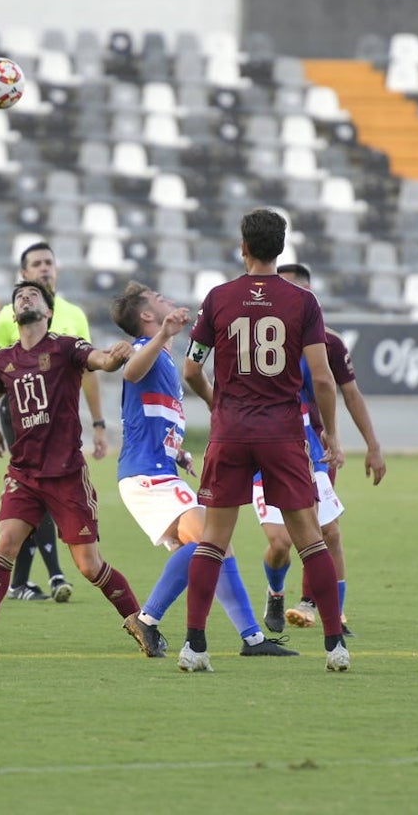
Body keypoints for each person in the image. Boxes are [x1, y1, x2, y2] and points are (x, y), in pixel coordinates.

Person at [0, 281, 160, 656]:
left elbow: (99, 361)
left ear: (48, 311)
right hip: (24, 473)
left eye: (33, 295)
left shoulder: (65, 346)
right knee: (5, 543)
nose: (25, 298)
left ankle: (142, 623)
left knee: (88, 566)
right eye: (19, 296)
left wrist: (115, 354)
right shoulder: (4, 361)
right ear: (13, 312)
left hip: (67, 474)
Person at [179, 207, 350, 673]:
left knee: (213, 541)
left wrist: (219, 404)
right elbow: (324, 379)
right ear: (281, 248)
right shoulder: (303, 303)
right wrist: (331, 434)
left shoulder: (217, 299)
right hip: (282, 433)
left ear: (244, 247)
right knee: (310, 540)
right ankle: (335, 647)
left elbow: (191, 368)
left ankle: (195, 646)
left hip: (231, 431)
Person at [111, 281, 297, 658]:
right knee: (209, 542)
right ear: (147, 316)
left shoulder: (163, 358)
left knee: (217, 546)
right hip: (147, 476)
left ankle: (253, 639)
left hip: (159, 469)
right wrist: (164, 332)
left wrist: (177, 452)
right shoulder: (144, 350)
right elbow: (130, 372)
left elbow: (152, 416)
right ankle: (147, 619)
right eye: (159, 299)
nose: (167, 299)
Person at [254, 263, 387, 636]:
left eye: (303, 294)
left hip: (312, 448)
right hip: (263, 448)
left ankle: (331, 614)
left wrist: (371, 446)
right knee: (280, 542)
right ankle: (277, 592)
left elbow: (348, 393)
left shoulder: (327, 343)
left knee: (328, 533)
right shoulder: (258, 338)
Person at [0, 241, 108, 603]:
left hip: (61, 419)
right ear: (23, 273)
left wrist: (98, 423)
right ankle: (53, 575)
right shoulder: (10, 314)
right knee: (38, 488)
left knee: (41, 497)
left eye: (49, 262)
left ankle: (24, 581)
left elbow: (90, 371)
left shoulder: (74, 315)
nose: (44, 268)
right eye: (36, 263)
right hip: (19, 414)